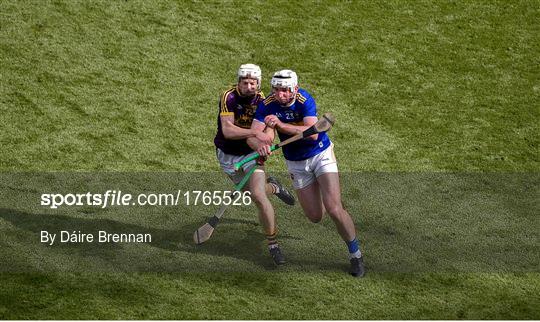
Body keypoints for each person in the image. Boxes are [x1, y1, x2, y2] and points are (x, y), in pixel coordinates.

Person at [251, 69, 366, 277]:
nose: (280, 94)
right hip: (295, 163)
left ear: (294, 89)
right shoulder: (267, 104)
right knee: (315, 216)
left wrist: (279, 125)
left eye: (285, 90)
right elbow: (256, 131)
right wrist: (261, 143)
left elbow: (312, 135)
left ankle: (355, 254)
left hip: (320, 154)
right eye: (276, 89)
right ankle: (330, 196)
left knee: (333, 209)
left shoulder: (305, 100)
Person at [213, 64, 295, 265]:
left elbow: (269, 132)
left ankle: (273, 243)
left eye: (253, 83)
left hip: (251, 154)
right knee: (251, 193)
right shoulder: (229, 97)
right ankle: (274, 187)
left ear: (258, 84)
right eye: (245, 82)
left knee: (258, 196)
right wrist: (254, 133)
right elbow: (228, 131)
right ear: (238, 82)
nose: (249, 86)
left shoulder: (264, 102)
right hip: (228, 156)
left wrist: (263, 145)